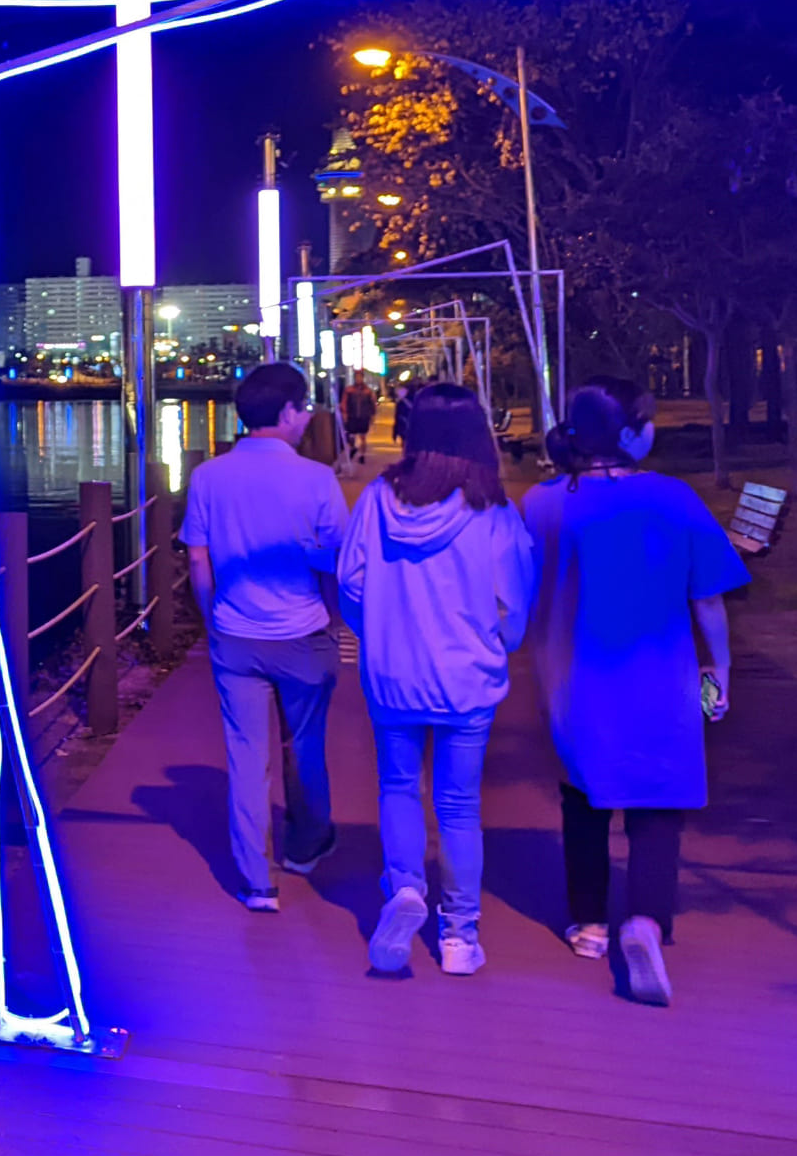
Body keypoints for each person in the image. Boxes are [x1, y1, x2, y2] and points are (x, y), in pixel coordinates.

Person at [527, 383, 747, 1006]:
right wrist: (720, 667)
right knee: (658, 804)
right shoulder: (673, 499)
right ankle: (646, 920)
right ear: (628, 434)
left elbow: (521, 591)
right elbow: (707, 593)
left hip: (573, 677)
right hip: (660, 678)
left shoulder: (544, 504)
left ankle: (589, 922)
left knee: (583, 797)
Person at [331, 380, 536, 978]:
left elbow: (352, 583)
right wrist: (502, 643)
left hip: (393, 673)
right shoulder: (492, 508)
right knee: (458, 804)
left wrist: (379, 633)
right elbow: (513, 601)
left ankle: (404, 890)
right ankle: (459, 935)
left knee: (398, 785)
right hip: (467, 678)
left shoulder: (376, 499)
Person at [181, 358, 346, 912]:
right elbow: (334, 563)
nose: (308, 417)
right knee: (306, 745)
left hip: (233, 632)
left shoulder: (208, 476)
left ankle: (256, 880)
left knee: (246, 756)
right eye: (304, 406)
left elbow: (198, 560)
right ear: (286, 412)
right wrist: (332, 617)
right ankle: (304, 847)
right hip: (304, 631)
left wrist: (212, 616)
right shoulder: (318, 479)